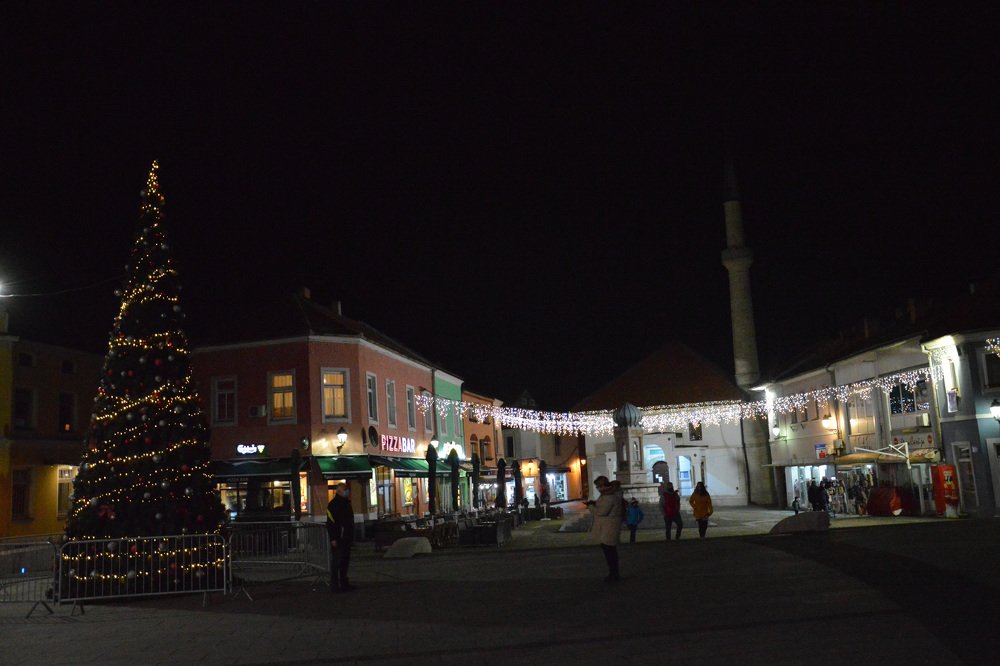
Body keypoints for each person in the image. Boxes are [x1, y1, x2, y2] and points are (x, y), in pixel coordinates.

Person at [588, 476, 624, 581]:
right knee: (610, 551)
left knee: (609, 551)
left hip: (608, 527)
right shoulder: (610, 495)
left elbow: (601, 512)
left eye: (598, 486)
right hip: (608, 526)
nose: (598, 489)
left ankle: (614, 574)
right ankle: (614, 573)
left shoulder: (609, 497)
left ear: (603, 486)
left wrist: (591, 507)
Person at [326, 483, 354, 592]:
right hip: (338, 537)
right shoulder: (333, 505)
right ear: (339, 491)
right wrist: (333, 538)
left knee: (345, 561)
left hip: (346, 537)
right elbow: (330, 523)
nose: (347, 491)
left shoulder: (346, 503)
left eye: (347, 489)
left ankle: (343, 583)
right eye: (345, 489)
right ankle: (335, 585)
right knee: (337, 561)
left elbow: (349, 522)